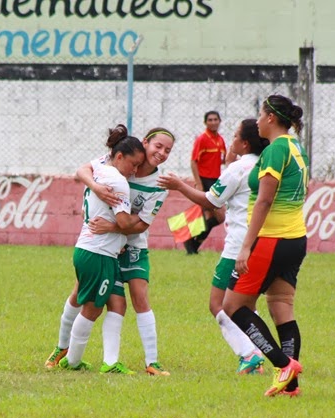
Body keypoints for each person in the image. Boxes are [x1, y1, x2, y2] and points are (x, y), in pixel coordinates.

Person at [45, 127, 176, 376]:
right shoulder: (117, 166)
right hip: (104, 246)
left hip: (132, 244)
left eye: (168, 150)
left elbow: (141, 224)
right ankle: (64, 350)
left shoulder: (159, 183)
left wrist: (112, 226)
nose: (161, 153)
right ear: (145, 143)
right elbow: (83, 170)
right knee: (89, 298)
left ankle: (151, 362)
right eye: (158, 146)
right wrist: (95, 187)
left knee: (136, 298)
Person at [158, 118, 270, 375]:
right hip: (264, 245)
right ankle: (272, 355)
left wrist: (179, 186)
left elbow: (210, 201)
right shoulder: (267, 165)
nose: (230, 141)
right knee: (248, 307)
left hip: (237, 248)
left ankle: (250, 354)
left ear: (243, 143)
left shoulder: (239, 169)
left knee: (218, 305)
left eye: (234, 137)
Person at [222, 95, 309, 397]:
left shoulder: (275, 150)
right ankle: (291, 385)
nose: (257, 120)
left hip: (272, 240)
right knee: (281, 306)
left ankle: (282, 364)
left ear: (271, 118)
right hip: (295, 239)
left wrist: (246, 247)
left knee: (232, 306)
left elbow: (265, 199)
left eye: (260, 114)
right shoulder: (296, 147)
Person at [184, 111, 227, 255]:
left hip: (216, 181)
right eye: (210, 120)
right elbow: (193, 161)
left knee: (213, 217)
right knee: (219, 216)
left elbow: (223, 160)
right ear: (205, 122)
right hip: (205, 180)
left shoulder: (220, 140)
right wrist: (198, 183)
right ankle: (191, 243)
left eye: (216, 119)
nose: (213, 122)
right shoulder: (202, 139)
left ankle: (192, 244)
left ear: (220, 121)